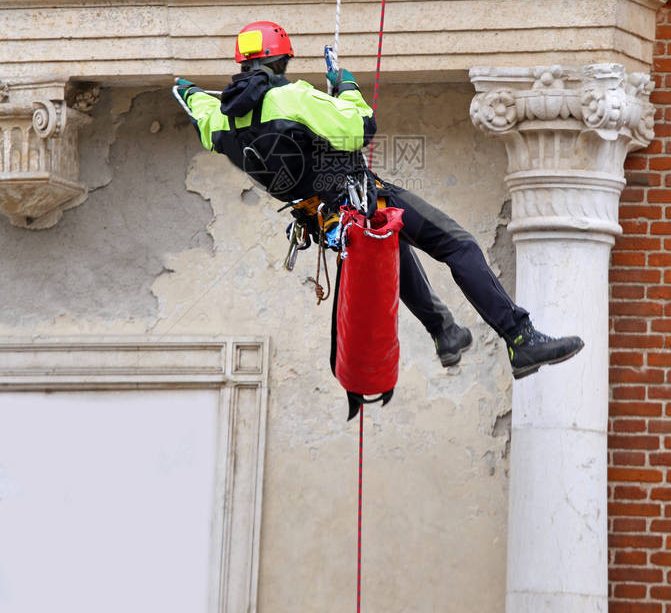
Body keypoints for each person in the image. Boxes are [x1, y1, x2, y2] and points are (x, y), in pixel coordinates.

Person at [174, 20, 584, 379]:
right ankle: (519, 336)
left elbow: (204, 112)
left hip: (322, 219)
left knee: (396, 247)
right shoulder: (294, 97)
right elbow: (360, 130)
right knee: (455, 243)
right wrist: (347, 87)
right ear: (281, 63)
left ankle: (445, 333)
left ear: (242, 65)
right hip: (356, 197)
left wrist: (190, 92)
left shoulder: (222, 118)